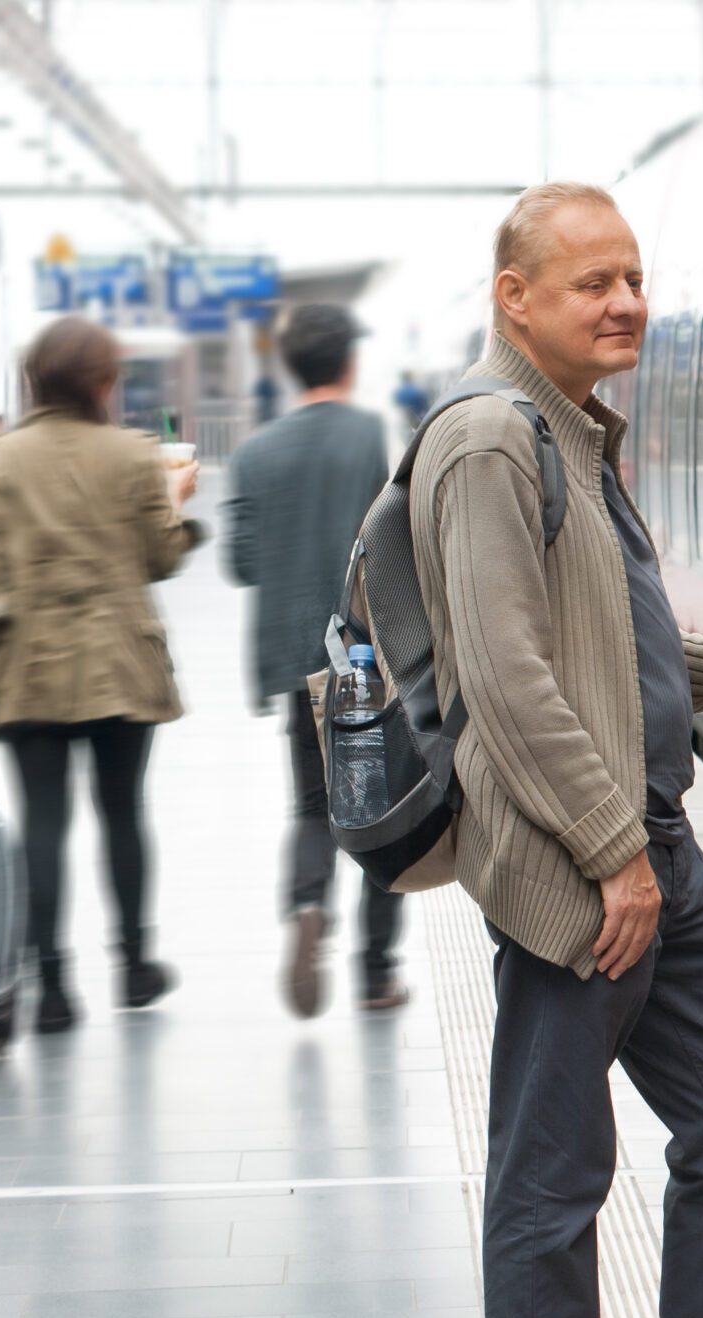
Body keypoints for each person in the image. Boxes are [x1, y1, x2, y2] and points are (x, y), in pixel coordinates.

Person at [413, 181, 703, 1318]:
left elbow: (601, 644)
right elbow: (506, 675)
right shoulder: (492, 439)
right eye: (593, 281)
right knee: (552, 1182)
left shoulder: (571, 431)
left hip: (655, 846)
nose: (626, 303)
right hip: (577, 867)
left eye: (634, 279)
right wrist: (612, 854)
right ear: (514, 297)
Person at [0, 317, 202, 1033]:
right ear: (100, 381)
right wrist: (175, 499)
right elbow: (160, 557)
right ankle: (134, 967)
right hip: (121, 662)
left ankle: (51, 988)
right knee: (122, 812)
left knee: (43, 825)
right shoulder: (132, 454)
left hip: (30, 668)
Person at [223, 302, 406, 1017]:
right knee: (379, 811)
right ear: (349, 363)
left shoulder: (253, 452)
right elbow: (395, 544)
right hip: (363, 657)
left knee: (309, 806)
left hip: (295, 663)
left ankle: (305, 905)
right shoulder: (370, 437)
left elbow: (241, 563)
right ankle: (375, 972)